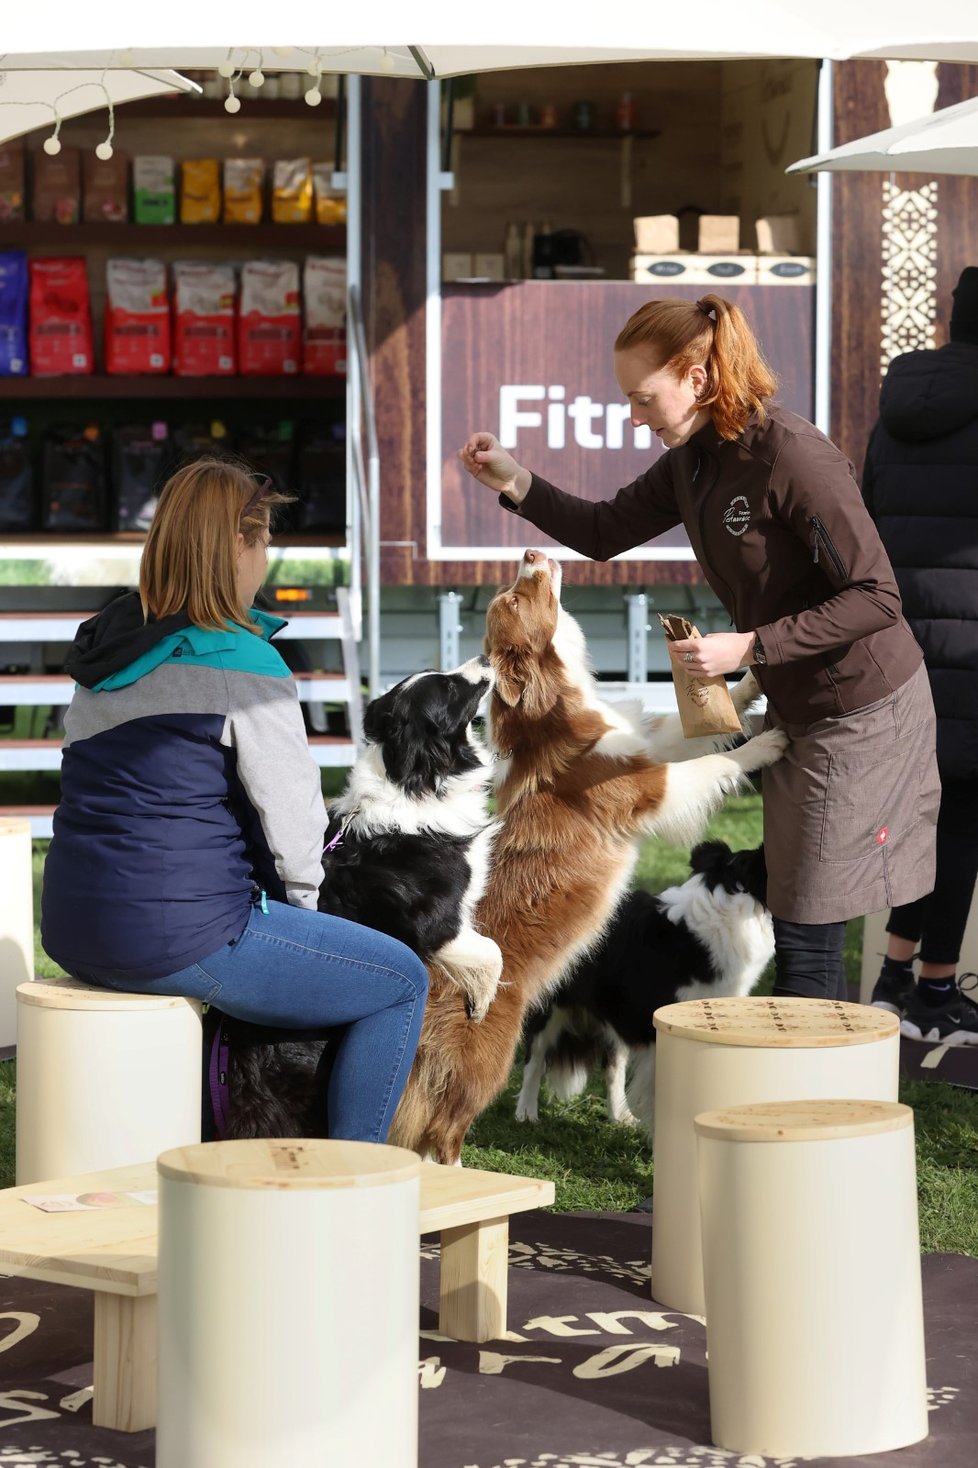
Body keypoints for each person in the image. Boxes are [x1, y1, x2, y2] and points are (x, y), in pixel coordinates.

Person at [459, 293, 940, 1002]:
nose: (635, 417)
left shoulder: (792, 456)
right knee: (796, 911)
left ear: (698, 377)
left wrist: (751, 644)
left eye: (644, 398)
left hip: (863, 712)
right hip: (798, 704)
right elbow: (602, 530)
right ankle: (806, 1094)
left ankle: (816, 1103)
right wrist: (514, 481)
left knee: (806, 927)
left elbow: (877, 596)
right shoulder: (692, 460)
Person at [41, 457, 429, 1143]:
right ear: (242, 545)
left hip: (74, 928)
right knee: (397, 980)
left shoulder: (105, 653)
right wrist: (308, 922)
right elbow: (296, 836)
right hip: (174, 938)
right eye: (265, 539)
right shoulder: (242, 664)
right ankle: (356, 1185)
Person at [862, 266, 978, 1043]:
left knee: (924, 813)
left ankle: (893, 982)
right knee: (964, 816)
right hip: (974, 643)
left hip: (902, 641)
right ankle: (932, 993)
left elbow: (867, 508)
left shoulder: (900, 402)